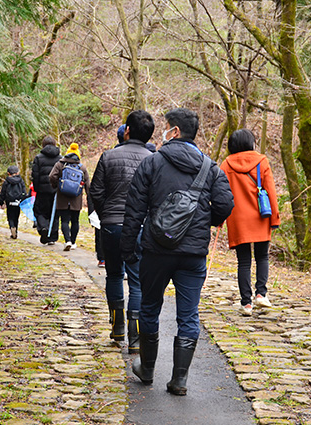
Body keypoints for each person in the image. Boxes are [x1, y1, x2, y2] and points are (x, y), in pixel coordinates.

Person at [121, 107, 234, 395]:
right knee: (189, 314)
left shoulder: (152, 163)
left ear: (174, 132)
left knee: (150, 306)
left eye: (166, 127)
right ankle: (179, 380)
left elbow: (134, 209)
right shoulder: (211, 168)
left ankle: (146, 370)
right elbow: (224, 205)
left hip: (156, 250)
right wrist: (203, 222)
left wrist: (128, 249)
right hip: (193, 254)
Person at [91, 113, 154, 354]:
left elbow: (96, 191)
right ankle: (135, 337)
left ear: (127, 130)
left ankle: (117, 328)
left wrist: (105, 213)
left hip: (112, 225)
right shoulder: (153, 159)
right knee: (137, 280)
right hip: (141, 226)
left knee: (114, 275)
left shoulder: (109, 156)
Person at [220, 129, 280, 316]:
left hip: (237, 218)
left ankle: (246, 304)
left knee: (243, 261)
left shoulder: (226, 165)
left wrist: (219, 215)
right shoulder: (262, 161)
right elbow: (270, 190)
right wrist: (275, 217)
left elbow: (221, 193)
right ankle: (261, 294)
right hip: (261, 214)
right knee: (262, 256)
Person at [49, 143, 90, 251]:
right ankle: (73, 241)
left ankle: (67, 240)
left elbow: (51, 176)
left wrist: (57, 185)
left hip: (62, 197)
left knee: (65, 220)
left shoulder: (60, 165)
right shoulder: (82, 167)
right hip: (76, 198)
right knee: (75, 221)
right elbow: (88, 184)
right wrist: (88, 195)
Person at [31, 136, 62, 244]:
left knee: (39, 211)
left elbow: (35, 175)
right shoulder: (60, 158)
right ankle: (52, 237)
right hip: (56, 191)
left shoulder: (38, 158)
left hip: (42, 190)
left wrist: (36, 188)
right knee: (54, 213)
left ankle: (43, 227)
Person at [0, 165, 27, 239]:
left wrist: (1, 201)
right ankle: (16, 231)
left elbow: (3, 192)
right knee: (16, 216)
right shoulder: (21, 181)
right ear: (17, 172)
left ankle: (12, 227)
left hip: (9, 201)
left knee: (10, 216)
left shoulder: (6, 181)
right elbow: (24, 191)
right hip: (18, 201)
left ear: (8, 173)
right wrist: (24, 200)